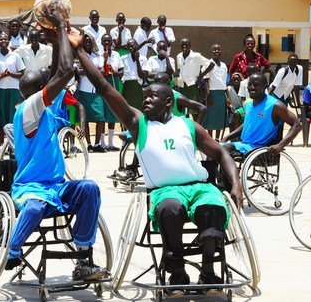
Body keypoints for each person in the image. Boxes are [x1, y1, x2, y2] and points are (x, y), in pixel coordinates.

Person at [75, 38, 243, 292]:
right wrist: (77, 49)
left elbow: (221, 153)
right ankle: (176, 272)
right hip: (165, 190)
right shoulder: (138, 123)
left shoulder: (187, 125)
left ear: (168, 101)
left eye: (152, 95)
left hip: (198, 186)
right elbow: (102, 86)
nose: (145, 100)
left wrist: (237, 184)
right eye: (144, 96)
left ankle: (209, 273)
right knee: (169, 209)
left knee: (212, 205)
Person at [5, 7, 107, 281]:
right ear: (40, 92)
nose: (56, 87)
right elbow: (62, 74)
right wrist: (61, 28)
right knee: (36, 207)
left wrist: (57, 40)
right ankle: (13, 250)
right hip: (30, 187)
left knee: (88, 188)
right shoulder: (28, 109)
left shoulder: (46, 111)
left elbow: (57, 71)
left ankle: (83, 257)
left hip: (56, 186)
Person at [222, 72, 302, 156]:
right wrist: (227, 137)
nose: (252, 87)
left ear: (265, 87)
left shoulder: (275, 105)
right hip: (243, 145)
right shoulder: (248, 104)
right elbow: (247, 124)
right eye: (250, 84)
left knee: (223, 149)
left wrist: (280, 145)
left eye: (256, 85)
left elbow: (297, 125)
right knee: (213, 148)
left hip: (258, 149)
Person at [0, 32, 25, 151]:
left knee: (13, 117)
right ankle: (2, 146)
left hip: (14, 90)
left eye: (5, 39)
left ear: (8, 41)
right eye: (1, 40)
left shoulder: (15, 56)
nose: (3, 41)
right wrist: (1, 76)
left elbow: (22, 73)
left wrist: (10, 74)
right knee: (1, 118)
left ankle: (14, 145)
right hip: (0, 90)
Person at [76, 34, 107, 152]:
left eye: (89, 41)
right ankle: (89, 144)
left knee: (100, 118)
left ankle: (97, 144)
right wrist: (94, 70)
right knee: (86, 119)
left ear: (93, 42)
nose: (87, 43)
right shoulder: (79, 56)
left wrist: (87, 71)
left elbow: (102, 70)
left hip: (96, 90)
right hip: (84, 90)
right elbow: (78, 71)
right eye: (85, 42)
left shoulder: (97, 56)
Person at [175, 38, 213, 112]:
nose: (184, 46)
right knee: (182, 108)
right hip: (182, 85)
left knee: (193, 109)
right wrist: (177, 83)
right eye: (182, 44)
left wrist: (200, 77)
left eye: (186, 44)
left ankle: (193, 123)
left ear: (190, 45)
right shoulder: (179, 56)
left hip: (193, 85)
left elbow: (211, 64)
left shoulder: (196, 56)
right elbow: (179, 70)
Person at [101, 34, 124, 151]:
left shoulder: (116, 55)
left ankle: (110, 142)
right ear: (101, 43)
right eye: (104, 42)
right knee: (103, 111)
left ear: (111, 43)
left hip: (114, 81)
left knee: (112, 110)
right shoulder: (99, 55)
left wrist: (115, 73)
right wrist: (104, 60)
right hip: (103, 82)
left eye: (108, 41)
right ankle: (102, 142)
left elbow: (122, 72)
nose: (106, 44)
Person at [203, 43, 228, 139]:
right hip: (212, 93)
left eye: (218, 50)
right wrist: (208, 95)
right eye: (214, 50)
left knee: (219, 117)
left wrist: (227, 97)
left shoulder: (224, 65)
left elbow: (225, 83)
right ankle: (210, 138)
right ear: (211, 52)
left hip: (221, 93)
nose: (217, 51)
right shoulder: (208, 64)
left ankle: (217, 139)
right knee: (211, 118)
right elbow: (205, 81)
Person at [120, 38, 147, 110]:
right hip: (127, 85)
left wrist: (137, 60)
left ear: (137, 45)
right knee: (126, 109)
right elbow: (121, 73)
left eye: (132, 45)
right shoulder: (123, 58)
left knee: (138, 108)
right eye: (129, 46)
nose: (131, 48)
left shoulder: (143, 59)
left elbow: (142, 75)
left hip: (137, 85)